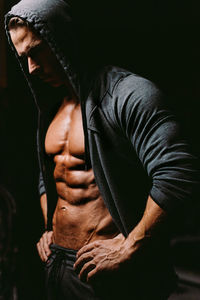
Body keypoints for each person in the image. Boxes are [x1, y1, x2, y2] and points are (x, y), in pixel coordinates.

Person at [5, 0, 199, 299]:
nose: (31, 68)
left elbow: (178, 172)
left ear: (61, 38)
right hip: (57, 265)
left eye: (36, 51)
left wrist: (131, 244)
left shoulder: (128, 94)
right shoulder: (53, 106)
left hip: (110, 269)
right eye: (23, 57)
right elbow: (49, 176)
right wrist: (49, 230)